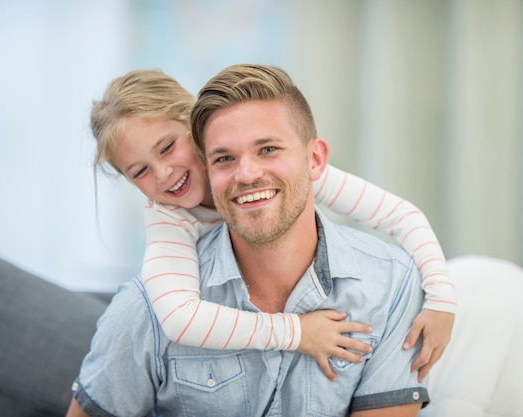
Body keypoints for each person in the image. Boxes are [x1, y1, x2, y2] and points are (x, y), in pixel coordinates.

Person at [67, 64, 432, 416]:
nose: (164, 174)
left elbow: (399, 215)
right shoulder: (165, 233)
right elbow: (177, 319)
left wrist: (442, 297)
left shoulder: (388, 283)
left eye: (166, 148)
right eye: (140, 171)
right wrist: (296, 332)